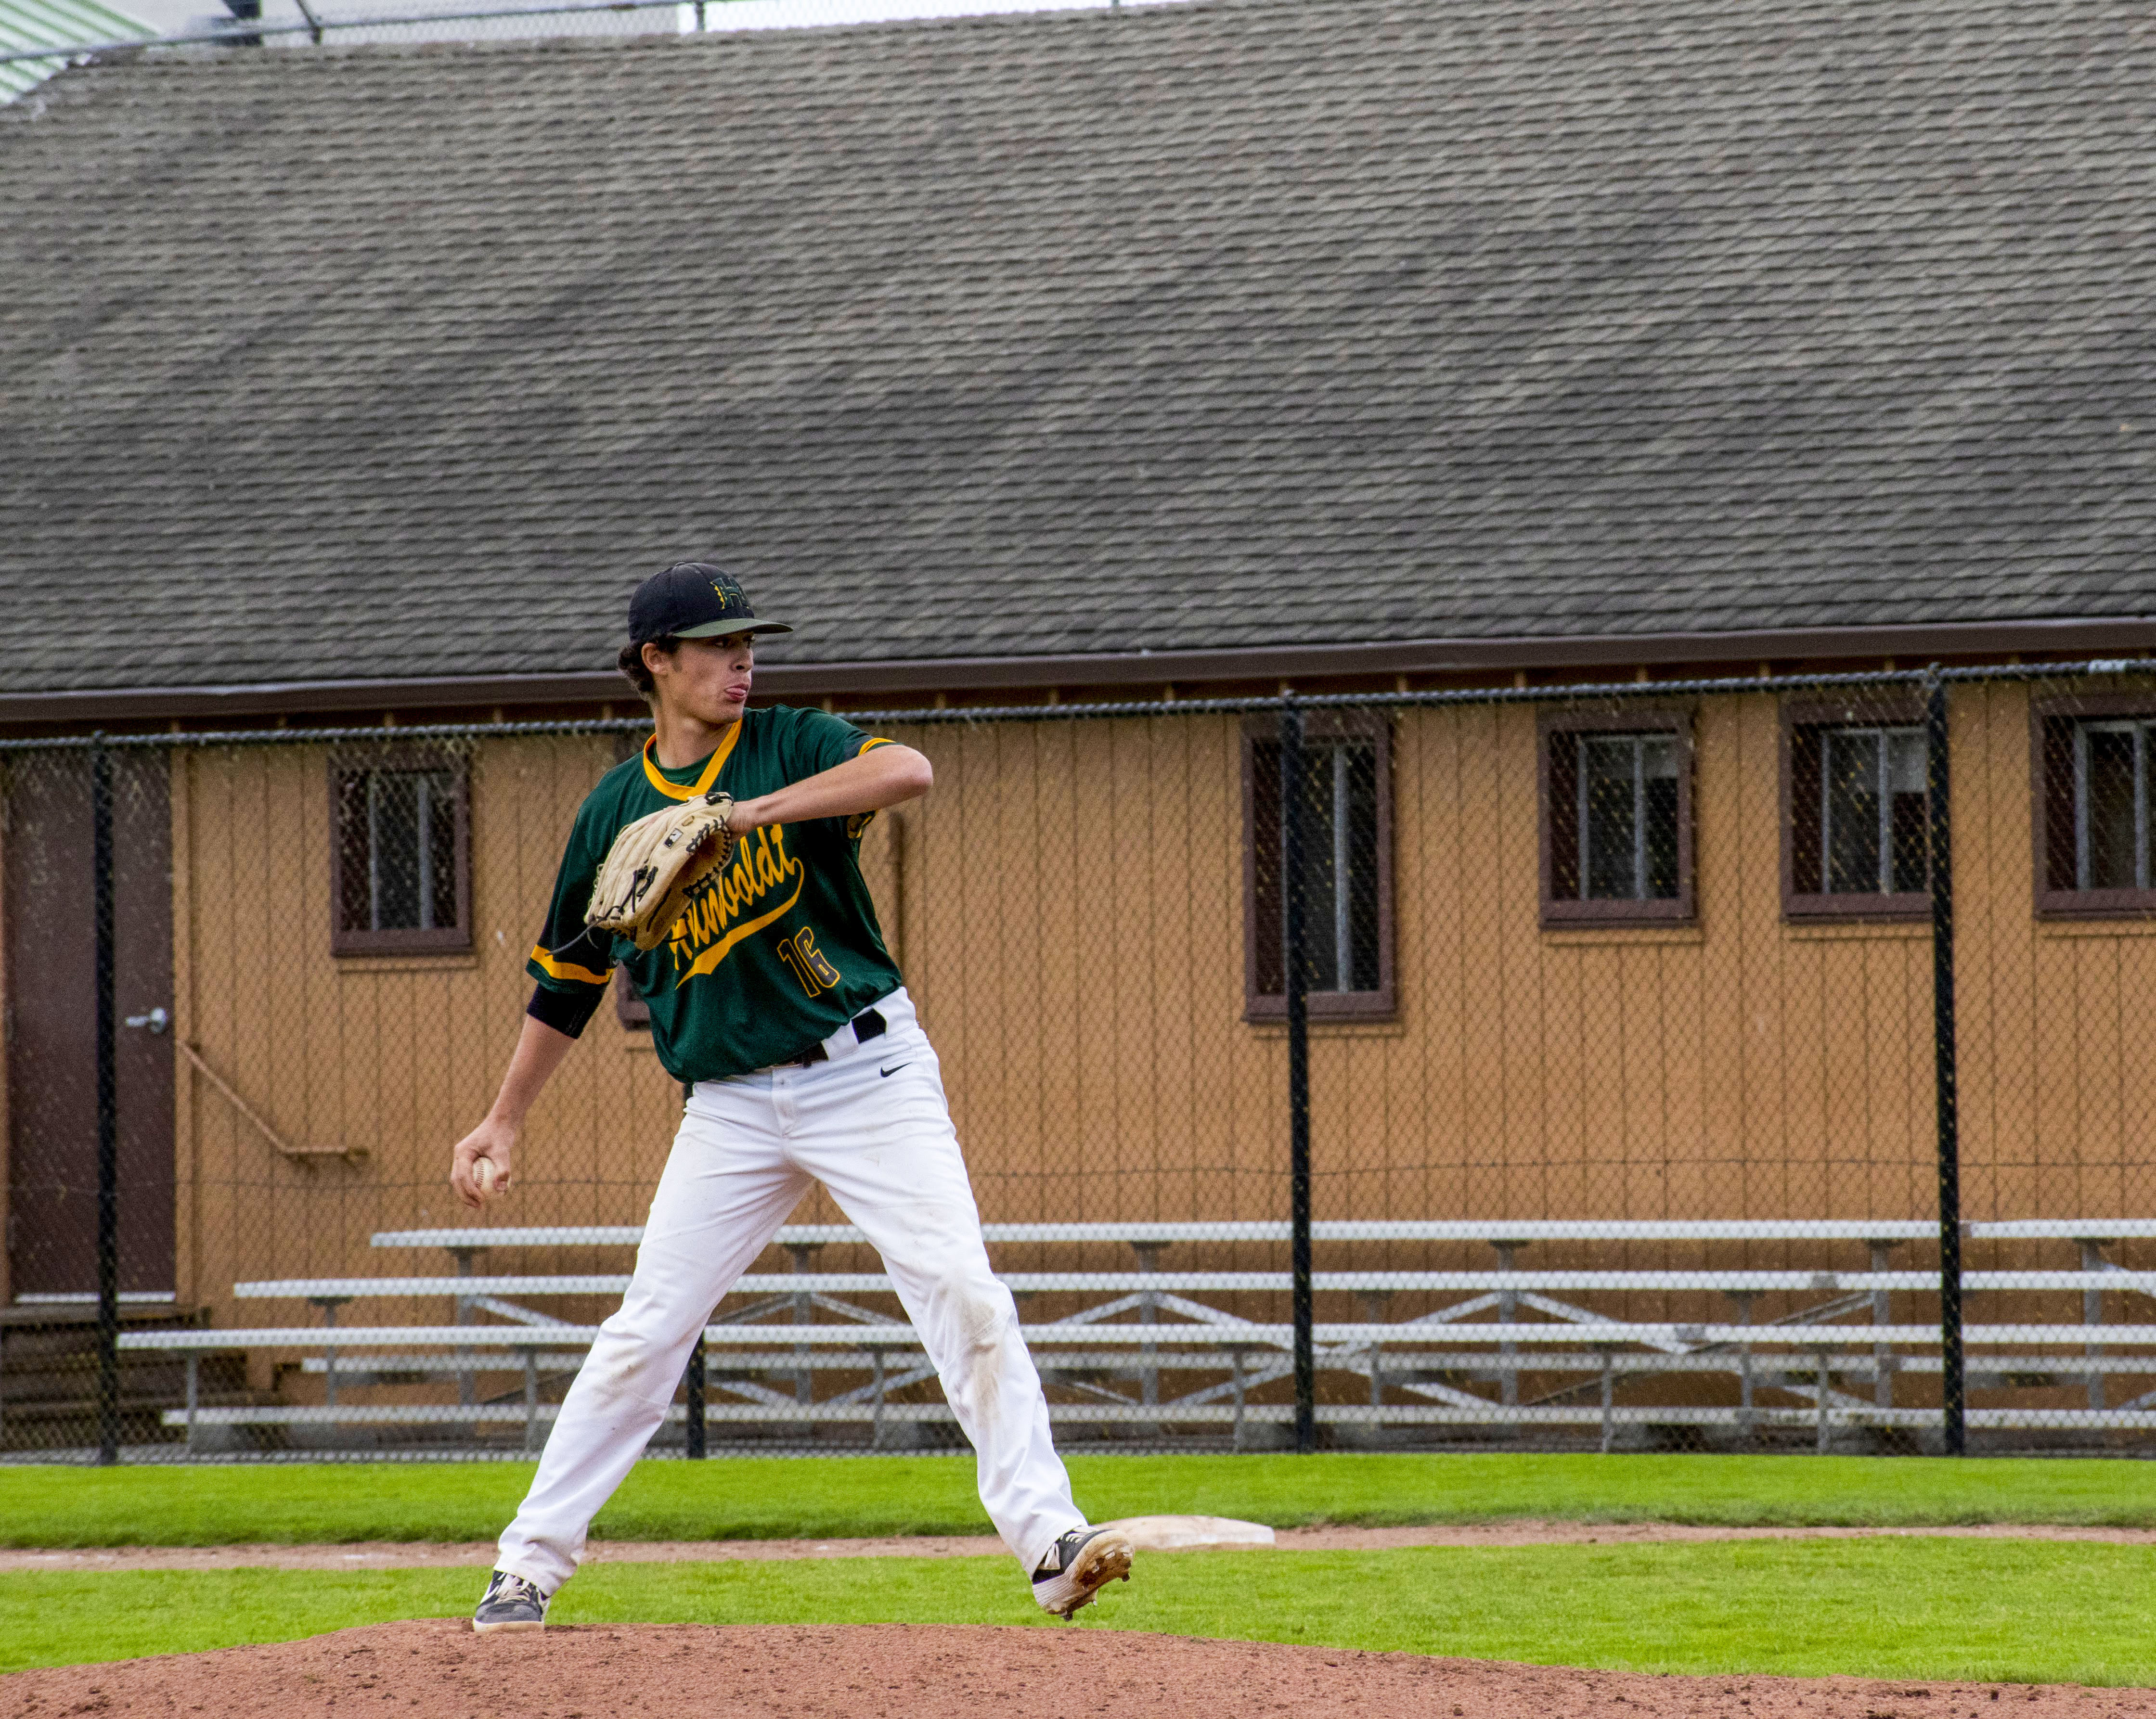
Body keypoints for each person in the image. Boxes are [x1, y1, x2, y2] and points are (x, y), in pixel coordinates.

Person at [451, 562, 1133, 1633]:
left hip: (867, 1072)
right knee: (645, 1332)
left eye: (748, 642)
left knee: (959, 1287)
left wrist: (745, 815)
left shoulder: (790, 741)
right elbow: (568, 979)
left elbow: (908, 771)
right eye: (717, 646)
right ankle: (524, 1568)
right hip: (726, 1107)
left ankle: (1050, 1541)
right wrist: (504, 1117)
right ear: (654, 663)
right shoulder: (613, 815)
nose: (742, 659)